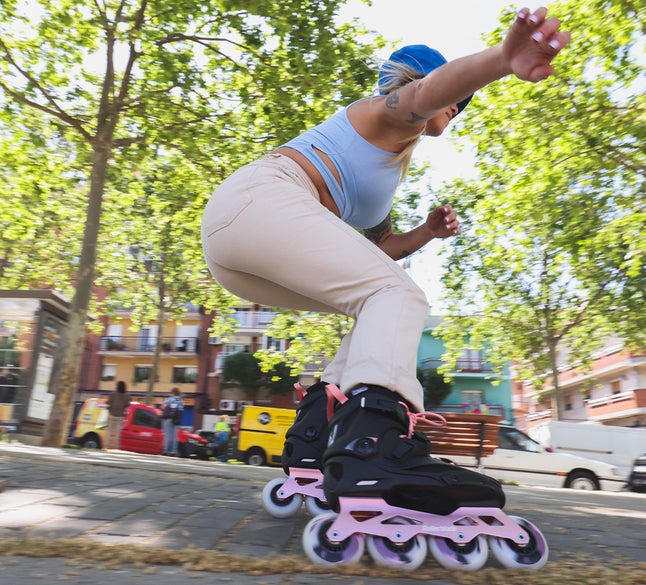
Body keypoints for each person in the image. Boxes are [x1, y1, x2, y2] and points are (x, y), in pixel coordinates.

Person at [202, 7, 570, 514]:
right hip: (258, 199)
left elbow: (378, 253)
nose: (456, 110)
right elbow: (423, 96)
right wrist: (503, 60)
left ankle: (316, 434)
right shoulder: (384, 111)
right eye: (456, 101)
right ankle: (373, 449)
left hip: (241, 246)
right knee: (398, 295)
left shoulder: (389, 161)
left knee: (377, 299)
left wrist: (425, 233)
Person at [105, 380, 130, 450]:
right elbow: (127, 405)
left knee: (109, 431)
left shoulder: (112, 394)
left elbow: (108, 402)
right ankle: (115, 447)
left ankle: (107, 445)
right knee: (117, 432)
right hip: (120, 415)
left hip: (112, 414)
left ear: (117, 386)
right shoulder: (126, 396)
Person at [161, 387, 183, 456]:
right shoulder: (180, 401)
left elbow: (163, 407)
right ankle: (173, 451)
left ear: (172, 392)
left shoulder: (170, 399)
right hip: (176, 420)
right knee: (174, 436)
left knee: (167, 436)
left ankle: (166, 450)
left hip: (169, 419)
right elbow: (181, 411)